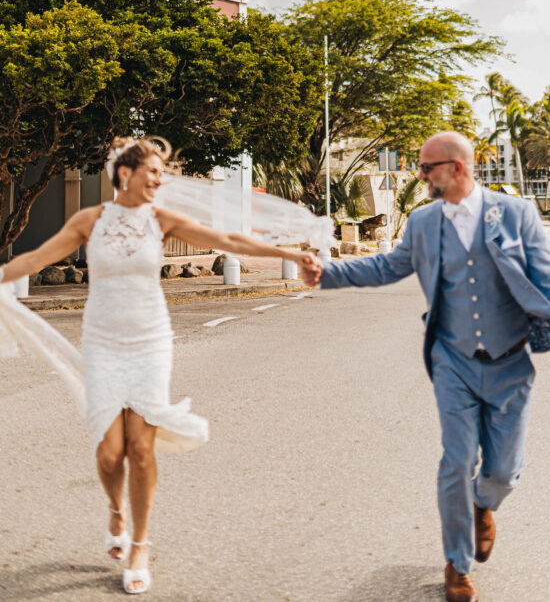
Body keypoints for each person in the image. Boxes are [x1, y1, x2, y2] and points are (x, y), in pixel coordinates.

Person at [0, 137, 308, 595]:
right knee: (109, 453)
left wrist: (290, 254)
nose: (161, 180)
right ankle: (116, 511)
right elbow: (34, 258)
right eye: (155, 172)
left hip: (149, 341)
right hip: (103, 343)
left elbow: (226, 239)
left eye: (163, 173)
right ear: (125, 174)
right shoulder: (90, 221)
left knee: (140, 450)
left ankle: (140, 543)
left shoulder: (161, 220)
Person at [301, 131, 550, 602]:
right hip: (452, 360)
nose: (420, 176)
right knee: (455, 462)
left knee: (503, 472)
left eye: (426, 168)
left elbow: (544, 277)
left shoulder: (515, 214)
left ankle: (484, 505)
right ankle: (457, 566)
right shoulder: (421, 222)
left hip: (510, 362)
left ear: (457, 169)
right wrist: (327, 273)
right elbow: (386, 267)